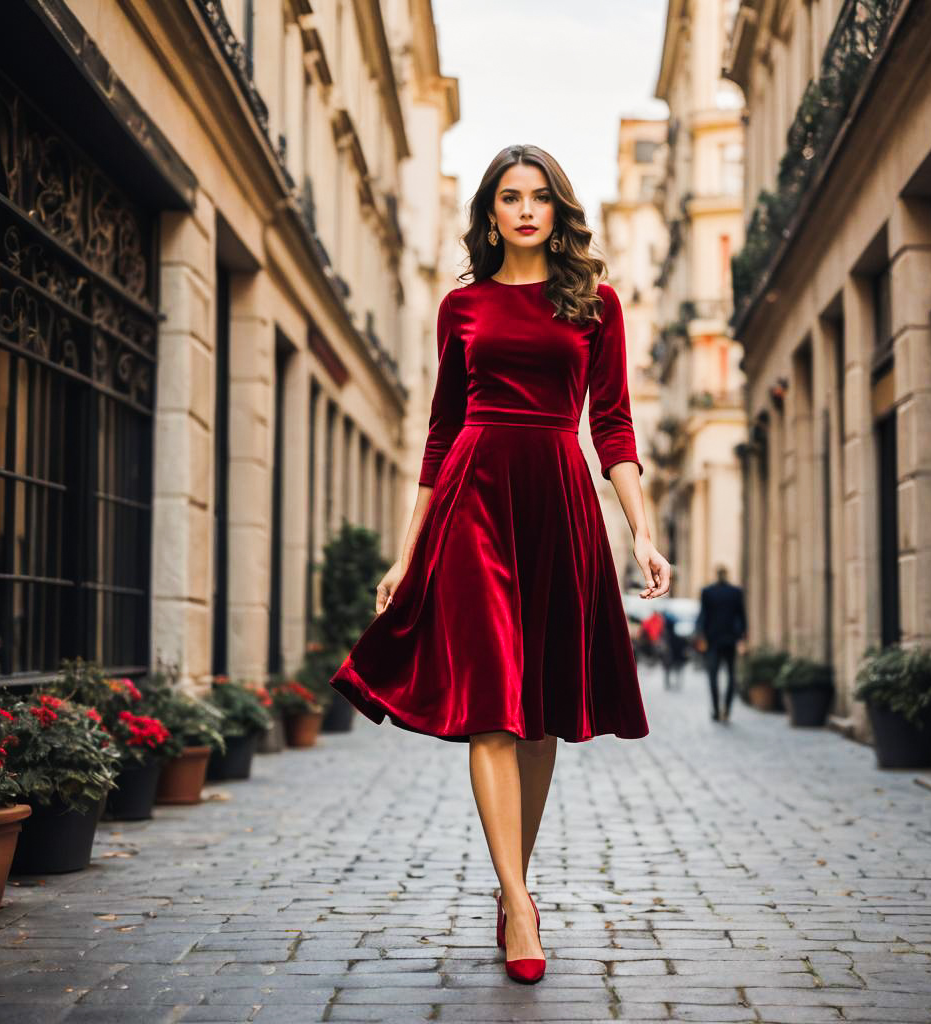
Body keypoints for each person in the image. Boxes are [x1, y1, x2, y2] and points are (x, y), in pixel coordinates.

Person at [329, 145, 671, 984]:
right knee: (493, 706)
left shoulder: (597, 305)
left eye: (540, 197)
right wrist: (409, 551)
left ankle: (512, 875)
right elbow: (441, 432)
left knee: (543, 711)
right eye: (510, 198)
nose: (526, 210)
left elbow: (615, 429)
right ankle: (519, 901)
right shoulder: (462, 308)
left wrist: (642, 532)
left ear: (559, 212)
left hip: (558, 501)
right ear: (490, 215)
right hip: (475, 503)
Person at [694, 565, 747, 723]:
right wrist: (743, 636)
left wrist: (700, 634)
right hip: (730, 638)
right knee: (731, 675)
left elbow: (703, 615)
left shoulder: (708, 592)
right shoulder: (736, 592)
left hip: (713, 639)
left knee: (713, 675)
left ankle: (717, 709)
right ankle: (727, 709)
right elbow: (742, 616)